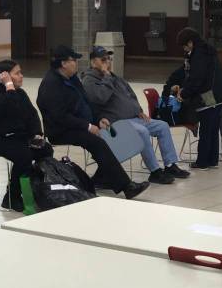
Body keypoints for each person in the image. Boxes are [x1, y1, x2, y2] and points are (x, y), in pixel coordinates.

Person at [36, 46, 149, 199]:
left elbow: (86, 103)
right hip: (61, 130)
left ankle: (103, 177)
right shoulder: (51, 85)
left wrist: (98, 119)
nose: (76, 63)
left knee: (106, 137)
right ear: (63, 64)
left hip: (78, 124)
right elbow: (60, 116)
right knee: (96, 142)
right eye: (73, 60)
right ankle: (126, 186)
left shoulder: (72, 78)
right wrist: (88, 126)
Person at [82, 46, 189, 185]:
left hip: (134, 118)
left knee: (162, 126)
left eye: (109, 58)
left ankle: (170, 165)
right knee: (142, 132)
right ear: (93, 62)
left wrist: (138, 110)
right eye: (103, 59)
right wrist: (107, 77)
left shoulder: (115, 77)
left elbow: (130, 94)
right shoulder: (89, 80)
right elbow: (100, 98)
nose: (107, 62)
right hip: (115, 122)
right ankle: (155, 171)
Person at [0, 59, 52, 212]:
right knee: (23, 155)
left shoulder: (19, 93)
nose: (21, 76)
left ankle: (37, 189)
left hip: (14, 137)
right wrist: (9, 86)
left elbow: (31, 115)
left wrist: (36, 134)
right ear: (4, 76)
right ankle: (12, 196)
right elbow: (12, 109)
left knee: (45, 149)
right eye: (17, 74)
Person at [176, 28, 222, 169]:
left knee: (207, 128)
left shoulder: (199, 55)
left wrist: (183, 94)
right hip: (218, 93)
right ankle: (212, 160)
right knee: (212, 128)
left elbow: (197, 79)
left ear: (190, 42)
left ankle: (202, 162)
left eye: (184, 45)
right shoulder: (206, 49)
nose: (184, 49)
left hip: (208, 94)